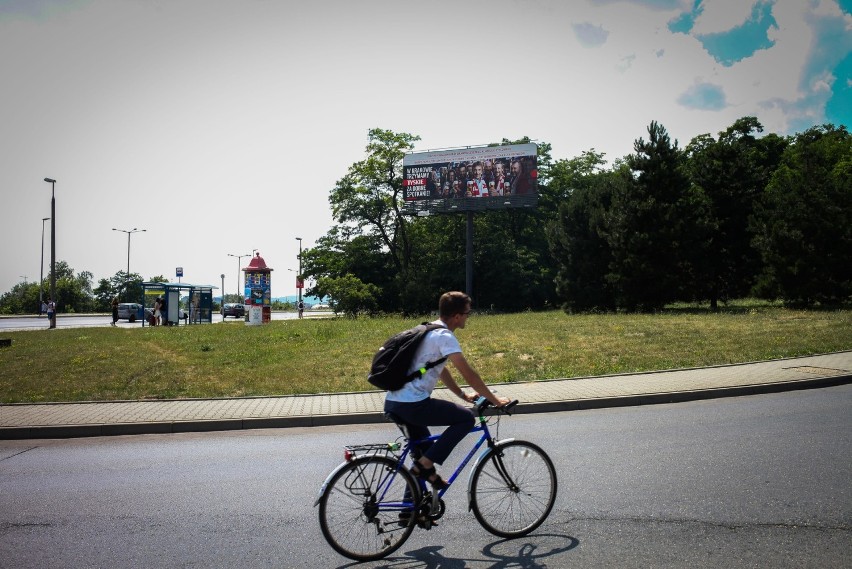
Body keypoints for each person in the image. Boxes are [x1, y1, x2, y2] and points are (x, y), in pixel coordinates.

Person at [384, 291, 510, 489]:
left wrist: (463, 395)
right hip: (412, 404)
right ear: (457, 316)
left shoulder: (429, 330)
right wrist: (495, 400)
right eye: (468, 313)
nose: (469, 317)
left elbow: (441, 370)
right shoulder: (444, 336)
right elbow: (469, 374)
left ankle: (412, 512)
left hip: (395, 402)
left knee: (424, 453)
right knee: (466, 419)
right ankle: (424, 467)